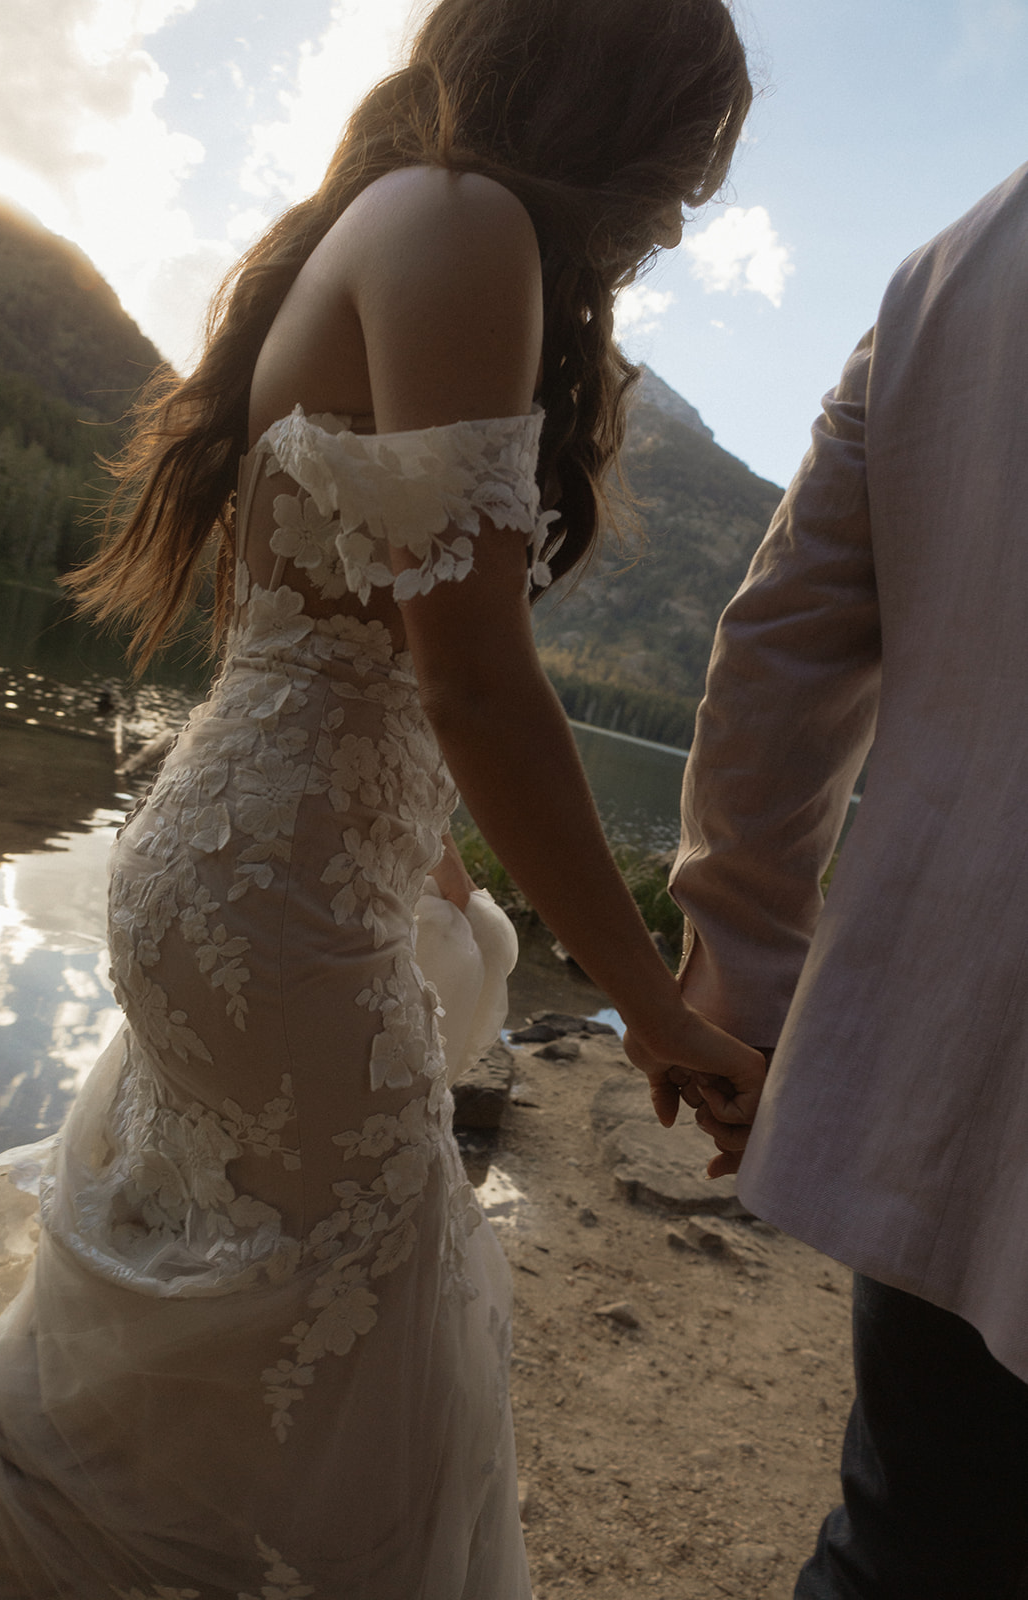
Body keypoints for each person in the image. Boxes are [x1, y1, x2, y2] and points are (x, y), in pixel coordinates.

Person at [0, 2, 764, 1595]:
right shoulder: (463, 224)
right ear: (615, 101)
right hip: (269, 892)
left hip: (251, 867)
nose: (689, 206)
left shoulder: (407, 223)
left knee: (228, 1332)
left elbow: (367, 658)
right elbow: (472, 681)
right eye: (692, 148)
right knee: (378, 1334)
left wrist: (436, 876)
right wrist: (654, 1013)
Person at [665, 161, 1028, 1599]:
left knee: (906, 1549)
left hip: (962, 1074)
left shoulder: (955, 271)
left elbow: (781, 651)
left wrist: (745, 990)